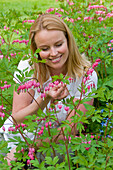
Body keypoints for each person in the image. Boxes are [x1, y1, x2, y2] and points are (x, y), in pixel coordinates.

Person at [3, 13, 98, 165]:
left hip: (56, 143)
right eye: (45, 48)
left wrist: (31, 146)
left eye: (59, 44)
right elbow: (17, 120)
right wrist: (45, 98)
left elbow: (70, 130)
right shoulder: (28, 67)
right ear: (36, 50)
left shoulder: (86, 76)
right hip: (18, 137)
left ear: (68, 40)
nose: (54, 53)